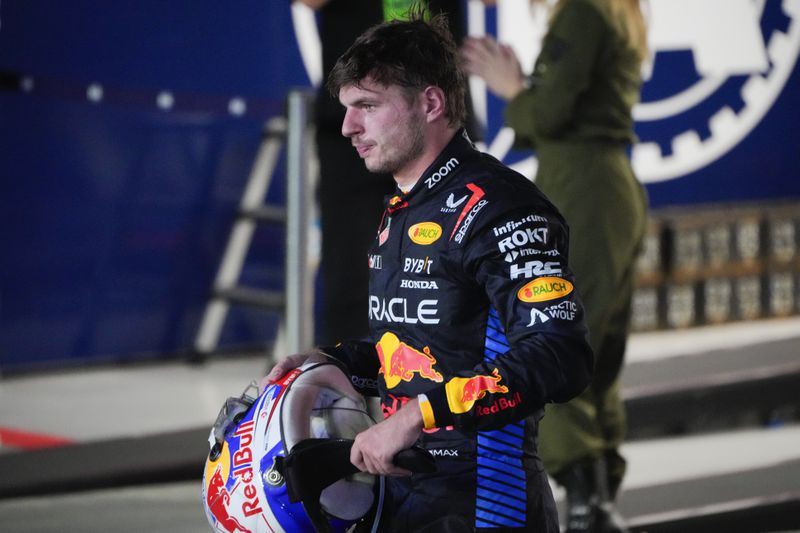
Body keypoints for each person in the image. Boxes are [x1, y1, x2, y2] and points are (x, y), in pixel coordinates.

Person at [266, 9, 594, 532]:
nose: (349, 126)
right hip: (411, 499)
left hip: (489, 505)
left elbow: (561, 354)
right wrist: (330, 361)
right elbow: (431, 347)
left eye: (368, 106)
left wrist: (418, 416)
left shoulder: (500, 207)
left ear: (432, 102)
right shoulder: (404, 207)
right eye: (348, 108)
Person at [461, 1, 649, 531]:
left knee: (557, 344)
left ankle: (588, 502)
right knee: (599, 353)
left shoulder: (585, 11)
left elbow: (548, 114)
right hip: (611, 184)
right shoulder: (617, 12)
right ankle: (599, 498)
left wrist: (514, 90)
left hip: (584, 185)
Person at [296, 0, 476, 345]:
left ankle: (442, 380)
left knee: (447, 257)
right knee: (351, 262)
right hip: (353, 128)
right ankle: (349, 385)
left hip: (434, 118)